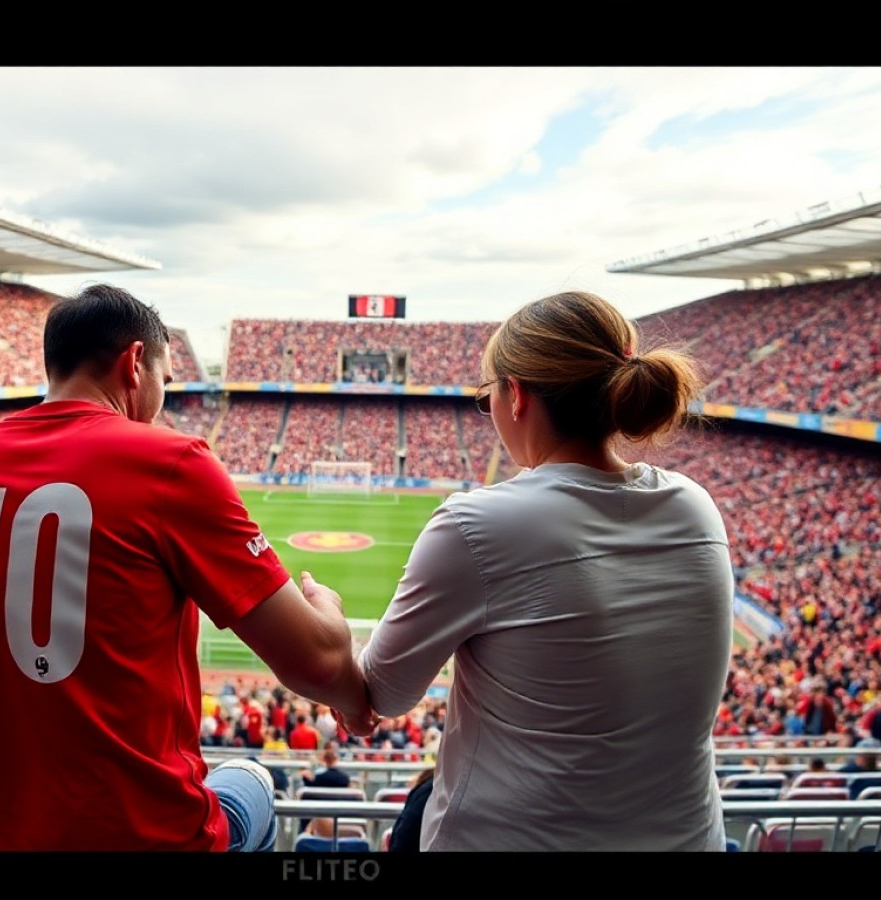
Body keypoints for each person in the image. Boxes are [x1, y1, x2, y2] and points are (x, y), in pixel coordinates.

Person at [0, 284, 373, 852]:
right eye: (165, 380)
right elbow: (317, 660)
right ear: (135, 362)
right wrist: (341, 659)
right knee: (251, 779)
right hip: (144, 835)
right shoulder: (170, 462)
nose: (162, 397)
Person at [310, 291, 734, 851]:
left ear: (516, 395)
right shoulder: (696, 506)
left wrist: (331, 623)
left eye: (487, 394)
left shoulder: (478, 525)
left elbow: (380, 696)